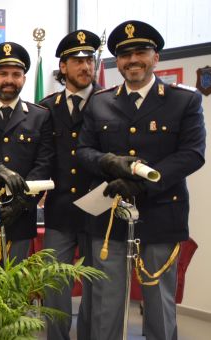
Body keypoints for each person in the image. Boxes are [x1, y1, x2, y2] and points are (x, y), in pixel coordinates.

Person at [78, 20, 206, 340]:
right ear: (116, 62)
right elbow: (84, 151)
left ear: (155, 57)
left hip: (162, 211)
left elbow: (192, 154)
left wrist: (144, 183)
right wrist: (107, 161)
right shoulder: (99, 102)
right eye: (124, 55)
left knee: (158, 299)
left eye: (140, 52)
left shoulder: (184, 100)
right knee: (107, 301)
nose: (132, 60)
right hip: (110, 216)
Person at [0, 42, 54, 263]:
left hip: (21, 215)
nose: (9, 80)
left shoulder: (39, 116)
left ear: (23, 79)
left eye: (16, 74)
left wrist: (22, 202)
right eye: (3, 73)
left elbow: (44, 163)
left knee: (14, 288)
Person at [38, 29, 102, 340]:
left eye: (89, 59)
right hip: (59, 210)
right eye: (77, 61)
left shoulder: (109, 103)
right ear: (63, 67)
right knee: (54, 285)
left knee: (96, 286)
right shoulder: (46, 107)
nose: (85, 67)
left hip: (100, 210)